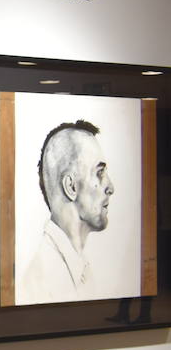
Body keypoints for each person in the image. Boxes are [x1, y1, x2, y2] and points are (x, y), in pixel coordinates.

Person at [18, 119, 116, 303]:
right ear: (71, 186)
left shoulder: (80, 268)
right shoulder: (41, 283)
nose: (110, 187)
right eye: (99, 173)